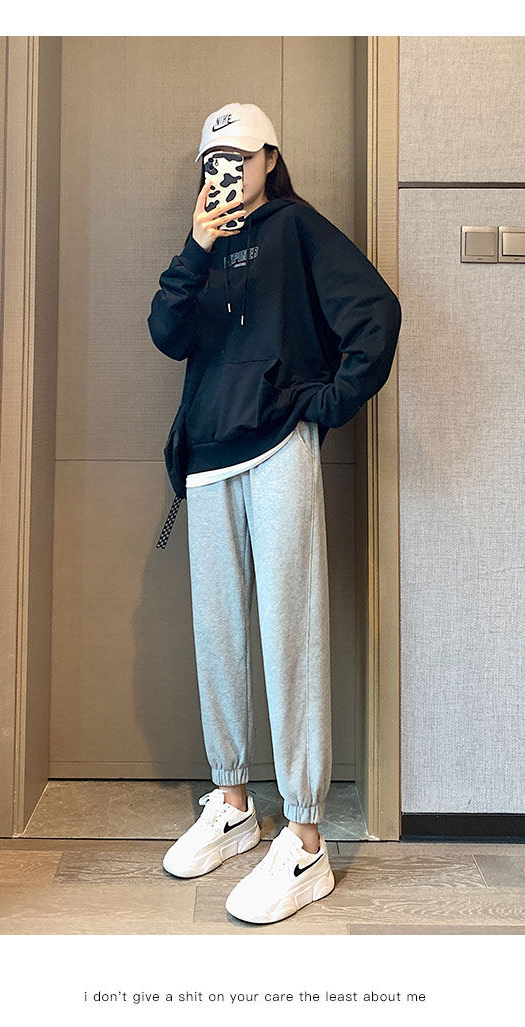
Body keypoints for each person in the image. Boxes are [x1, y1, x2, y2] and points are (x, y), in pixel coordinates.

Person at [147, 102, 401, 924]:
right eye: (212, 161)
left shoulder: (294, 228)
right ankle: (233, 804)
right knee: (218, 632)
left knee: (291, 630)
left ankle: (305, 836)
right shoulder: (203, 247)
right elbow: (166, 332)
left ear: (268, 159)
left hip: (278, 449)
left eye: (238, 157)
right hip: (209, 459)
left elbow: (376, 312)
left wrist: (322, 406)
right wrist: (196, 245)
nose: (225, 171)